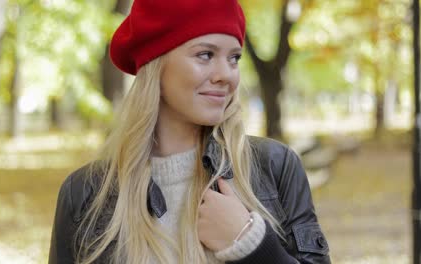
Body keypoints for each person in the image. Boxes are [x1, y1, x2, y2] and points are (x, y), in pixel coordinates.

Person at [48, 0, 331, 263]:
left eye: (234, 58)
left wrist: (251, 243)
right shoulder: (85, 194)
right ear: (156, 66)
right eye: (205, 55)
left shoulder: (274, 167)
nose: (226, 75)